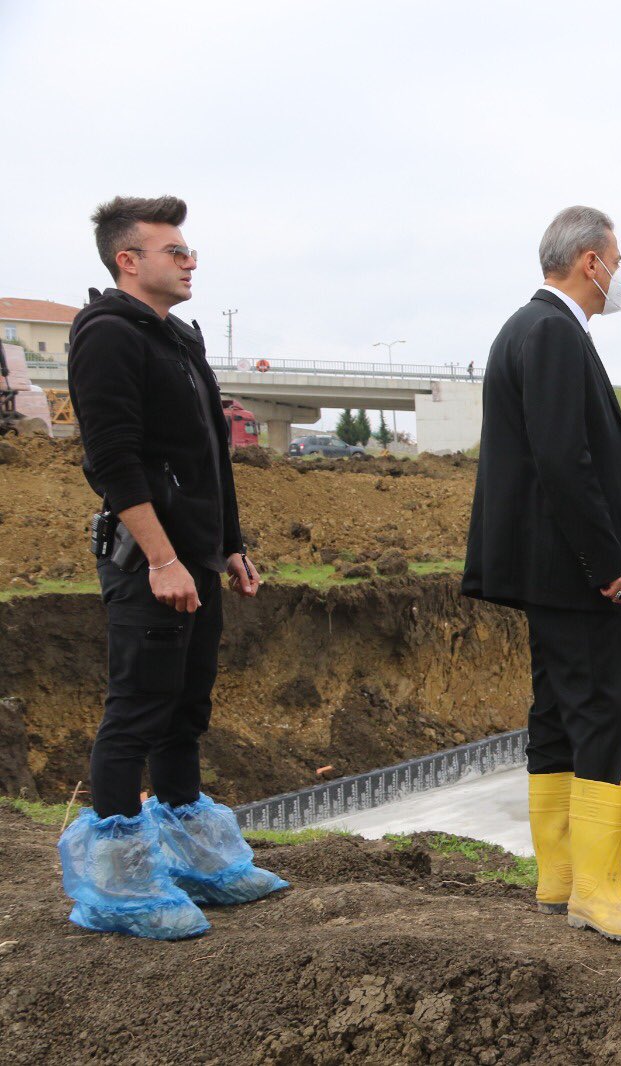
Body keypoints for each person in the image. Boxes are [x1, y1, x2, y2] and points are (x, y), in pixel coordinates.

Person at [60, 195, 287, 941]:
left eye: (189, 250)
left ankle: (195, 858)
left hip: (196, 558)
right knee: (137, 710)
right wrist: (161, 558)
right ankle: (122, 888)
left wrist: (229, 545)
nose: (191, 261)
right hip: (148, 562)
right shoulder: (106, 337)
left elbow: (208, 458)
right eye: (175, 251)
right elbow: (113, 461)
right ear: (129, 260)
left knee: (187, 706)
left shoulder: (179, 340)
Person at [462, 206, 621, 942]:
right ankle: (598, 890)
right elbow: (562, 457)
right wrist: (606, 562)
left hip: (544, 566)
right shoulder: (550, 332)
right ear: (591, 262)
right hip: (572, 569)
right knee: (598, 712)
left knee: (556, 710)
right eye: (615, 258)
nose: (618, 273)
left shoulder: (530, 327)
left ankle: (563, 872)